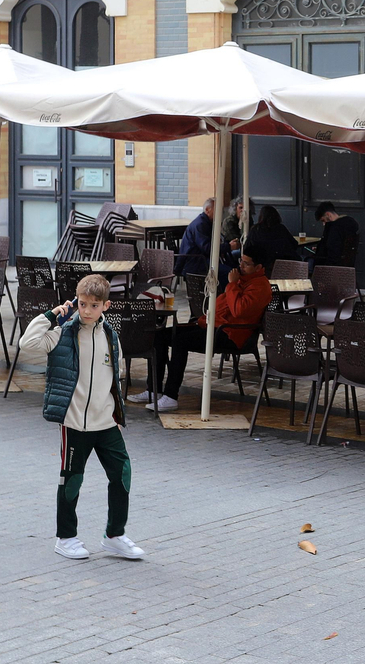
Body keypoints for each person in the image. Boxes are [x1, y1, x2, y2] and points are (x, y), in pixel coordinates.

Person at [18, 274, 145, 562]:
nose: (87, 311)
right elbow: (28, 342)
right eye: (83, 304)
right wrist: (51, 315)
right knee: (72, 480)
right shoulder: (62, 334)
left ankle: (114, 536)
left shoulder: (111, 336)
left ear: (105, 306)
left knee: (122, 474)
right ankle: (66, 538)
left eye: (94, 305)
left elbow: (115, 377)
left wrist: (115, 413)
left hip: (106, 423)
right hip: (75, 424)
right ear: (76, 302)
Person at [143, 243, 274, 412]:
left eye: (246, 264)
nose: (241, 266)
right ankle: (153, 390)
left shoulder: (260, 286)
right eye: (241, 261)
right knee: (160, 335)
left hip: (232, 335)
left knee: (180, 341)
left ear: (259, 267)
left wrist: (232, 285)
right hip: (215, 326)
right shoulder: (242, 280)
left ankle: (170, 395)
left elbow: (238, 310)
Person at [175, 197, 215, 278]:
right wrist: (227, 247)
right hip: (195, 263)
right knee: (227, 272)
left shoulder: (205, 222)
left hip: (197, 260)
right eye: (217, 210)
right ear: (207, 210)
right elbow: (207, 248)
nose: (221, 213)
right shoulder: (200, 224)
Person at [314, 202, 359, 269]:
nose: (323, 224)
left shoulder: (335, 229)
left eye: (323, 220)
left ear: (328, 215)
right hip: (345, 266)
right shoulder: (349, 224)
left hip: (328, 268)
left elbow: (333, 251)